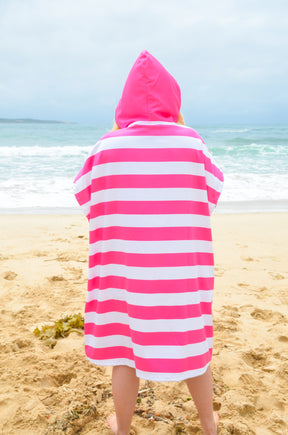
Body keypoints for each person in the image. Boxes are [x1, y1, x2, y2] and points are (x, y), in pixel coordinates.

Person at [74, 50, 223, 435]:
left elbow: (88, 200)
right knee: (196, 347)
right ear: (174, 101)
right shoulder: (193, 144)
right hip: (181, 274)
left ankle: (121, 427)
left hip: (127, 275)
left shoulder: (105, 148)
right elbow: (210, 196)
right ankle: (208, 423)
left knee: (124, 353)